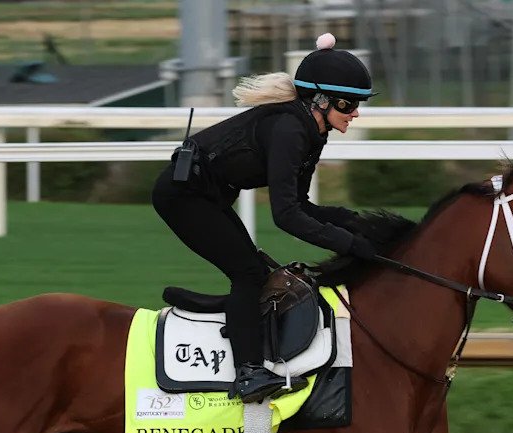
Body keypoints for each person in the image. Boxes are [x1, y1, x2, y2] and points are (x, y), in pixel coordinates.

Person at [151, 33, 377, 404]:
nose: (355, 113)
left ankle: (242, 334)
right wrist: (349, 243)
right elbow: (286, 216)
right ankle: (248, 374)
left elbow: (301, 205)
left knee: (255, 272)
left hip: (207, 195)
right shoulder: (290, 129)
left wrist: (354, 223)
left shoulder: (312, 132)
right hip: (184, 197)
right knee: (249, 274)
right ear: (321, 101)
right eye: (348, 104)